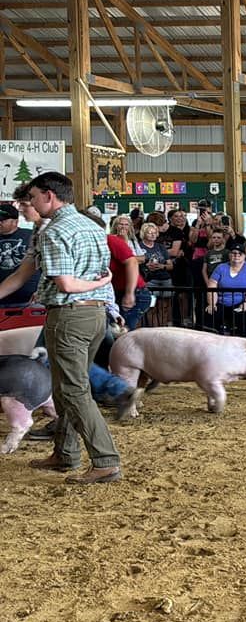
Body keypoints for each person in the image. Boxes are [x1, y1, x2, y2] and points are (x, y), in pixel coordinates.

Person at [0, 173, 122, 484]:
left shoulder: (53, 231)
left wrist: (98, 282)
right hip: (93, 316)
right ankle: (65, 453)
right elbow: (22, 273)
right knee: (65, 385)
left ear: (49, 196)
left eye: (32, 196)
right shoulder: (91, 226)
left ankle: (105, 460)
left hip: (69, 315)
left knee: (73, 389)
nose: (27, 203)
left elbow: (66, 284)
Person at [204, 237, 246, 337]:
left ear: (245, 255)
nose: (236, 255)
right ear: (229, 254)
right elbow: (212, 287)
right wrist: (212, 304)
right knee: (211, 313)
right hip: (222, 301)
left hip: (245, 300)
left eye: (240, 253)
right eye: (234, 253)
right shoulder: (221, 267)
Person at [106, 216, 150, 331]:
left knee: (123, 331)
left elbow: (134, 260)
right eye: (121, 224)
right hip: (116, 290)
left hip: (134, 290)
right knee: (117, 329)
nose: (123, 227)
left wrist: (129, 294)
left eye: (126, 224)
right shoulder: (110, 239)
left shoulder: (113, 240)